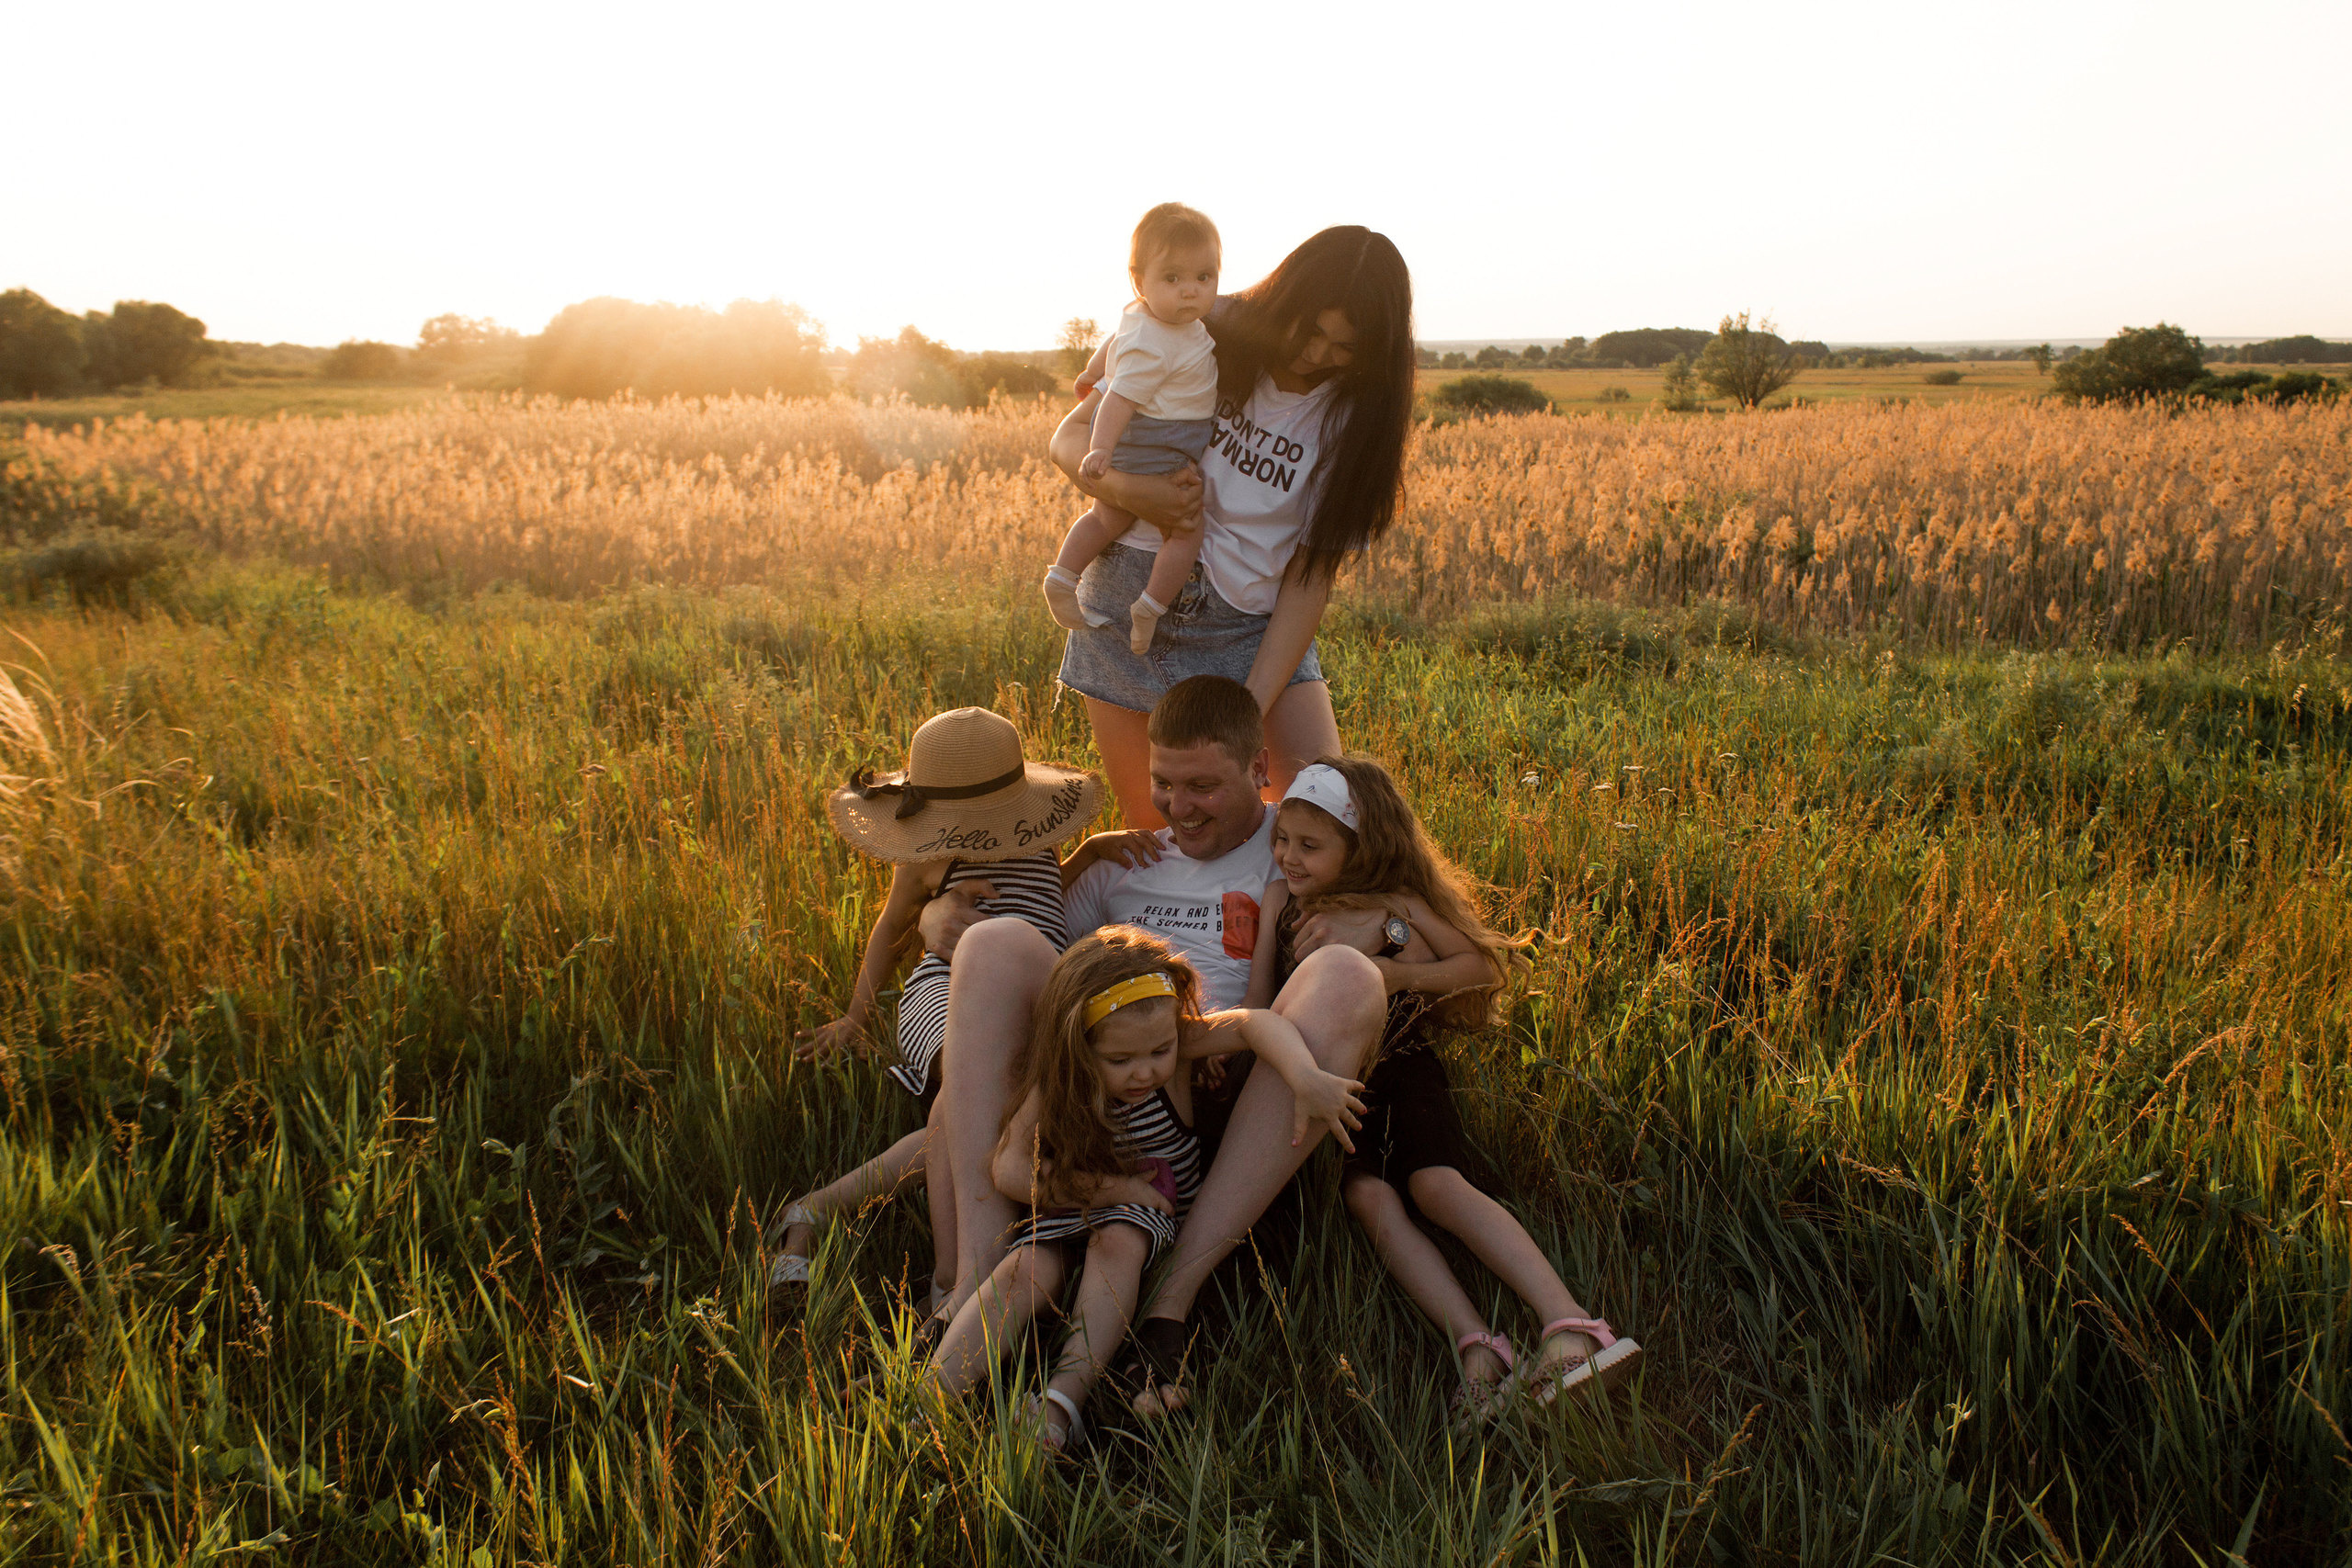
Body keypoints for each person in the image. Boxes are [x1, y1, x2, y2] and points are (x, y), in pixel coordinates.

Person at [911, 674, 1392, 1409]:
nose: (1178, 806)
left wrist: (1388, 931)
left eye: (1203, 785)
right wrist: (934, 916)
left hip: (1223, 1076)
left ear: (1260, 769)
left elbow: (1422, 908)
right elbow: (1031, 953)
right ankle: (979, 1274)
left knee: (1349, 977)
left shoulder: (1295, 844)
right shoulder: (1125, 858)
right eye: (1164, 782)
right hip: (1097, 1069)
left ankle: (1173, 1298)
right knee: (996, 942)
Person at [1246, 758, 1641, 1418]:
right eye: (1282, 839)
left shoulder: (1398, 901)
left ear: (1361, 845)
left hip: (1402, 1063)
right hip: (1335, 1078)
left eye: (1309, 845)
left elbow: (1480, 965)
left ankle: (1570, 1326)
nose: (1288, 855)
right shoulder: (1281, 902)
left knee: (1435, 1184)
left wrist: (1390, 972)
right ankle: (1476, 1344)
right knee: (1368, 1200)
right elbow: (1261, 996)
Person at [922, 928, 1365, 1452]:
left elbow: (1253, 1023)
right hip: (1080, 1204)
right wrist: (1107, 1189)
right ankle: (930, 1397)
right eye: (1121, 1061)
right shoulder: (1059, 1079)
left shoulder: (1174, 1058)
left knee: (1120, 1243)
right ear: (1079, 1046)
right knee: (1024, 1269)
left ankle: (1062, 1398)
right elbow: (1009, 1169)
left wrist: (1303, 1075)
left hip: (1149, 1215)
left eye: (1159, 1049)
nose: (1145, 1071)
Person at [1050, 225, 1417, 824]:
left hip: (1252, 626)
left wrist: (1251, 708)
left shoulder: (1360, 421)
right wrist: (1129, 490)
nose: (1320, 354)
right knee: (1159, 837)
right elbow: (1068, 439)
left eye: (1344, 346)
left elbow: (1309, 576)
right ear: (1284, 302)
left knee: (1319, 814)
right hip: (1130, 603)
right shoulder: (1201, 332)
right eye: (1311, 329)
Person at [767, 705, 1114, 1316]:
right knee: (974, 1083)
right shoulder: (927, 857)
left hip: (1035, 981)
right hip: (947, 985)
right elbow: (891, 927)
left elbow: (1043, 894)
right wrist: (855, 1013)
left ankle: (819, 1208)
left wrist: (1091, 855)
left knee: (991, 1104)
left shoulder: (1036, 831)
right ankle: (954, 1277)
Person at [1042, 204, 1223, 658]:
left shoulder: (1142, 315)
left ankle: (1062, 576)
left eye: (1205, 277)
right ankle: (1150, 606)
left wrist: (1091, 368)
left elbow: (1116, 339)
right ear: (1140, 281)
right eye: (1173, 278)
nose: (1190, 292)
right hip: (1161, 441)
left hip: (1153, 437)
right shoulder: (1157, 345)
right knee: (1185, 530)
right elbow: (1119, 400)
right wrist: (1100, 449)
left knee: (1110, 517)